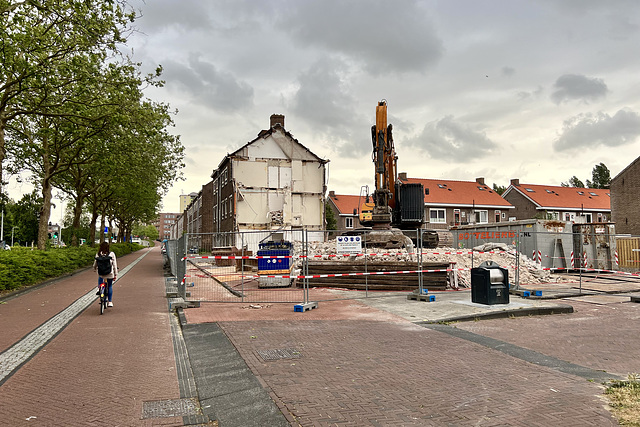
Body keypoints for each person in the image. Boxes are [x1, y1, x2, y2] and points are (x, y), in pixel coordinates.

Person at [93, 242, 118, 307]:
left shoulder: (98, 254)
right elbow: (114, 265)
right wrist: (115, 274)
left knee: (100, 277)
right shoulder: (111, 254)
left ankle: (99, 288)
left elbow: (95, 263)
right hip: (110, 273)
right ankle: (110, 302)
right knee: (109, 286)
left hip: (101, 273)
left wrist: (94, 269)